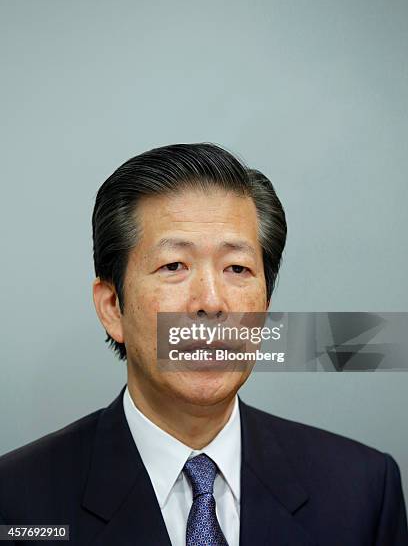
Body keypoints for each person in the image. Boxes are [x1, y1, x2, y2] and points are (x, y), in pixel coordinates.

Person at [0, 142, 406, 546]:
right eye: (174, 266)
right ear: (112, 308)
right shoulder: (16, 500)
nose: (211, 303)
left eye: (237, 268)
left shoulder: (364, 490)